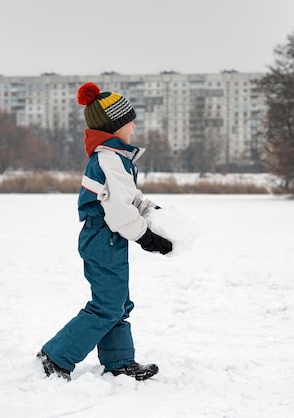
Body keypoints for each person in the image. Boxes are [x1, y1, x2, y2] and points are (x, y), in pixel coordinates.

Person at [37, 82, 172, 382]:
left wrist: (152, 212)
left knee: (118, 304)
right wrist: (147, 238)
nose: (134, 125)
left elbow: (129, 199)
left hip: (109, 240)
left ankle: (120, 361)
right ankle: (56, 356)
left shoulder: (116, 158)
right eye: (129, 121)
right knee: (107, 307)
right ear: (115, 126)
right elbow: (120, 213)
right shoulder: (109, 160)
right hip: (104, 239)